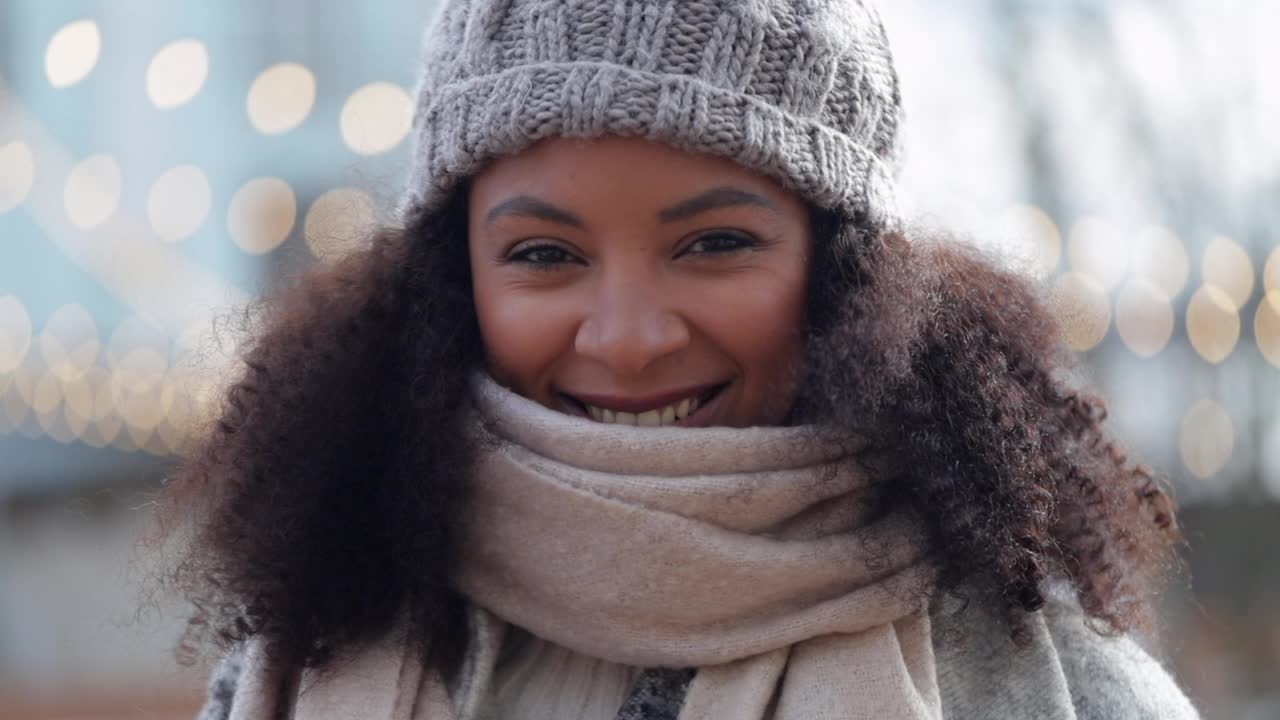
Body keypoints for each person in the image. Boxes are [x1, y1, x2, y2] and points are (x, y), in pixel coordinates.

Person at [148, 0, 1201, 718]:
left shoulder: (1021, 663)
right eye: (544, 256)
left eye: (713, 244)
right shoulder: (314, 645)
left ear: (844, 270)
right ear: (449, 279)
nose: (628, 334)